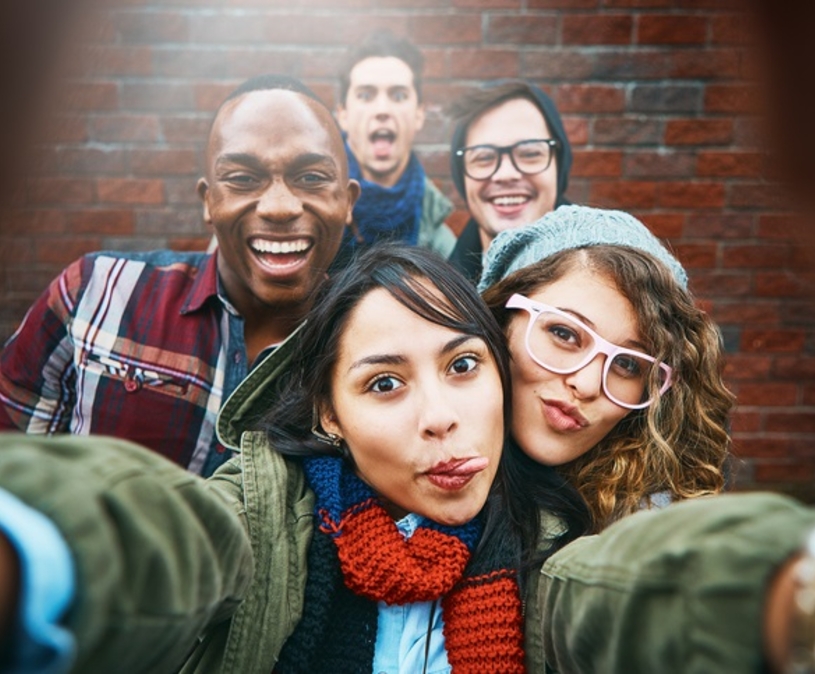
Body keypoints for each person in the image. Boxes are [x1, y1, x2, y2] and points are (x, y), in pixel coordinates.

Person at [0, 244, 591, 673]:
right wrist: (38, 550)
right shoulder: (267, 514)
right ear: (329, 415)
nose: (439, 416)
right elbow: (171, 539)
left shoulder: (561, 546)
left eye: (462, 366)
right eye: (385, 383)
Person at [0, 74, 361, 477]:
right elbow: (12, 476)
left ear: (347, 202)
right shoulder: (95, 294)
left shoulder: (371, 349)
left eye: (310, 178)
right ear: (209, 201)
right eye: (243, 178)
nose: (279, 208)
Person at [480, 205, 733, 530]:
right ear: (499, 321)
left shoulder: (654, 531)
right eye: (564, 333)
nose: (586, 384)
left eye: (628, 364)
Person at [332, 30, 456, 264]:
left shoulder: (442, 248)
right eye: (366, 95)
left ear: (419, 114)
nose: (382, 110)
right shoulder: (312, 222)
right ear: (343, 114)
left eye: (398, 96)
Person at [447, 80, 572, 283]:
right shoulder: (437, 298)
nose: (505, 174)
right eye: (484, 157)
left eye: (530, 153)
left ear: (560, 164)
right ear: (461, 174)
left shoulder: (613, 280)